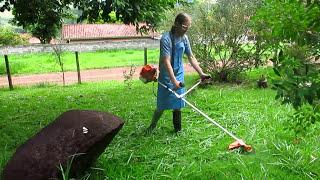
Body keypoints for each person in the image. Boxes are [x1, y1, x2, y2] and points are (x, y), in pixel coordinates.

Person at [146, 13, 209, 133]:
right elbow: (166, 61)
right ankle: (152, 126)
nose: (186, 30)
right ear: (176, 24)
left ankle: (177, 130)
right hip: (166, 75)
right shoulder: (166, 38)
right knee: (161, 105)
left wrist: (201, 73)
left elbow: (191, 56)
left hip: (179, 73)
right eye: (185, 27)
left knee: (178, 103)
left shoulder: (184, 38)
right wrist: (174, 81)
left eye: (188, 27)